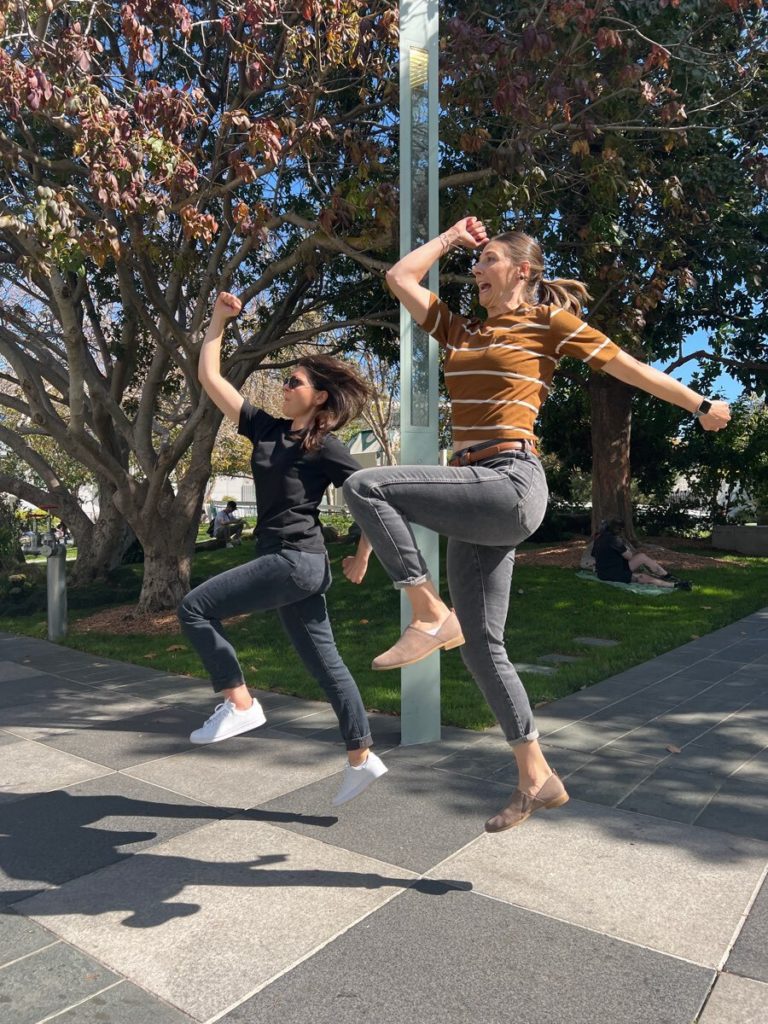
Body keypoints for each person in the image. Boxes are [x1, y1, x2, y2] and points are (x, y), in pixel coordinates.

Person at [342, 216, 730, 832]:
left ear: (523, 271)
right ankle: (535, 774)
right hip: (474, 491)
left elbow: (625, 365)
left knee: (365, 482)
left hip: (511, 481)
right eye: (476, 262)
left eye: (487, 260)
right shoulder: (463, 330)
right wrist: (450, 239)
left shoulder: (548, 323)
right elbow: (399, 276)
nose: (476, 271)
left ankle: (426, 612)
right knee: (483, 650)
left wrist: (701, 405)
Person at [178, 291, 387, 806]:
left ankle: (239, 701)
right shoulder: (266, 429)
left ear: (318, 397)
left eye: (294, 381)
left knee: (193, 608)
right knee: (326, 664)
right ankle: (362, 757)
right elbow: (211, 380)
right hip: (292, 564)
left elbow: (373, 499)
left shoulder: (325, 445)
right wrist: (217, 321)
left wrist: (362, 555)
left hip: (295, 561)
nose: (284, 386)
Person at [592, 518, 692, 590]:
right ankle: (674, 585)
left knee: (641, 557)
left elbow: (594, 556)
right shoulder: (614, 540)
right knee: (642, 577)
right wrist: (624, 546)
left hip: (607, 569)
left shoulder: (598, 538)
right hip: (612, 573)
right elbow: (629, 556)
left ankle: (667, 576)